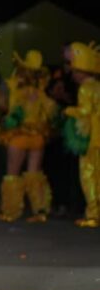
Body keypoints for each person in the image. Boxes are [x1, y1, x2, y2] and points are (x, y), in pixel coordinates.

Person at [0, 50, 57, 222]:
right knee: (35, 173)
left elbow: (10, 112)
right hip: (38, 136)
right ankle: (40, 211)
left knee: (12, 173)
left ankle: (11, 211)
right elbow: (51, 114)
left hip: (19, 136)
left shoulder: (17, 90)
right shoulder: (42, 93)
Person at [63, 41, 100, 228]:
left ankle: (93, 214)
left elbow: (85, 111)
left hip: (92, 138)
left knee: (89, 175)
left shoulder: (86, 88)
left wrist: (69, 111)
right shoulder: (97, 86)